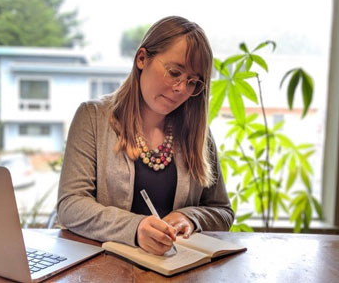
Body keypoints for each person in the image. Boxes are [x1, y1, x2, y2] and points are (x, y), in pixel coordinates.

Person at [57, 16, 234, 256]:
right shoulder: (93, 117)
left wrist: (190, 218)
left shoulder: (197, 132)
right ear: (142, 58)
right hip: (104, 268)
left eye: (193, 82)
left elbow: (222, 211)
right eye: (174, 72)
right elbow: (70, 205)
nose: (182, 88)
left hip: (174, 269)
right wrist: (135, 228)